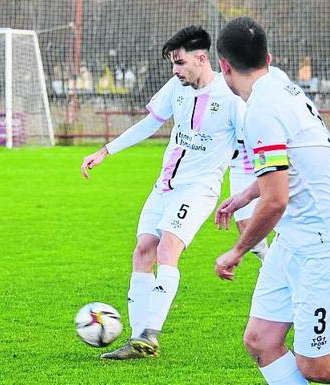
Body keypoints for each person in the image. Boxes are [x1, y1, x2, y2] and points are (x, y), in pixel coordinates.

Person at [215, 17, 330, 385]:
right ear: (268, 57)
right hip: (294, 243)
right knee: (260, 341)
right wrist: (245, 193)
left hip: (329, 248)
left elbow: (275, 202)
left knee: (314, 365)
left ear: (224, 66)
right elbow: (294, 162)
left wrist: (236, 251)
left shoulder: (261, 111)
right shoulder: (281, 83)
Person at [80, 25, 244, 359]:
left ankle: (150, 333)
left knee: (168, 249)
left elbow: (247, 154)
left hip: (198, 190)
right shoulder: (176, 87)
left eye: (180, 63)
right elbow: (150, 124)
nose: (175, 70)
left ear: (201, 58)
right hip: (164, 186)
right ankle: (137, 341)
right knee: (143, 250)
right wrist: (106, 151)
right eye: (173, 63)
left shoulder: (232, 100)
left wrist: (240, 200)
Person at [228, 65, 291, 261]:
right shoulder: (230, 75)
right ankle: (270, 262)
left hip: (269, 151)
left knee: (279, 210)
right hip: (241, 161)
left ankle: (280, 266)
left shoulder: (277, 76)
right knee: (244, 224)